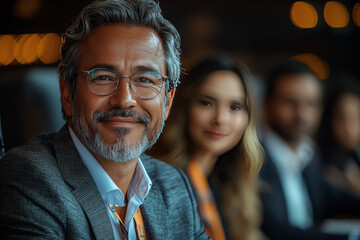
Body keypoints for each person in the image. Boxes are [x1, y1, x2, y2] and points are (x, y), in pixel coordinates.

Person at [0, 0, 210, 239]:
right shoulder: (29, 178)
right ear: (67, 93)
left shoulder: (174, 185)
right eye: (102, 77)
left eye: (145, 80)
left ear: (167, 102)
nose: (125, 100)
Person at [149, 55, 264, 240]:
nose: (220, 119)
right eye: (206, 103)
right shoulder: (160, 184)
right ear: (183, 107)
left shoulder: (226, 182)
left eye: (235, 107)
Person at [259, 60, 360, 240]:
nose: (302, 114)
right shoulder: (252, 159)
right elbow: (275, 230)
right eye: (290, 102)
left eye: (311, 104)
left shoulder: (308, 153)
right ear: (267, 104)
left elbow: (331, 196)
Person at [317, 80, 360, 196]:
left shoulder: (354, 157)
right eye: (342, 118)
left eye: (356, 118)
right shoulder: (316, 162)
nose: (349, 128)